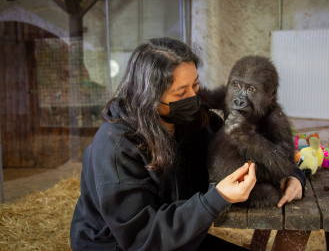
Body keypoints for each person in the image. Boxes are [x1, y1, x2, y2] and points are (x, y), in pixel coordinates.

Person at [70, 37, 305, 251]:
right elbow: (140, 237)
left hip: (175, 236)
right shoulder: (116, 145)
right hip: (122, 245)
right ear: (148, 97)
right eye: (181, 92)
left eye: (195, 85)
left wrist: (294, 175)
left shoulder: (197, 122)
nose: (194, 99)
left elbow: (263, 153)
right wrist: (218, 198)